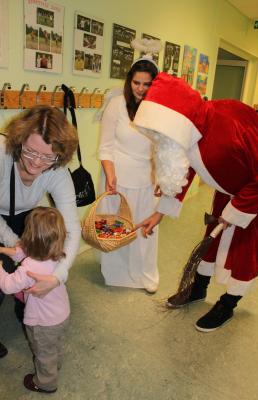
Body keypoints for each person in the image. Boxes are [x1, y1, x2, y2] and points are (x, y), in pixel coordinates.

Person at [134, 72, 258, 332]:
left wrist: (236, 212)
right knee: (211, 245)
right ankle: (197, 289)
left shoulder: (230, 126)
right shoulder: (186, 132)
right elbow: (183, 170)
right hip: (227, 193)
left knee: (244, 255)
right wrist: (159, 213)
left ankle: (228, 304)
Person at [0, 105, 81, 356]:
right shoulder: (1, 155)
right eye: (31, 151)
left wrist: (59, 276)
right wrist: (16, 244)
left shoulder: (57, 169)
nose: (36, 163)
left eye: (47, 157)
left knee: (36, 273)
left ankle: (26, 312)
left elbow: (72, 227)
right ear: (19, 140)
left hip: (25, 215)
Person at [98, 44, 179, 293]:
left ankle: (144, 272)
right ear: (129, 81)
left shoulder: (160, 110)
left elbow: (164, 148)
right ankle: (116, 271)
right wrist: (111, 176)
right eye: (136, 83)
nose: (141, 89)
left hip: (146, 178)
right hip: (117, 177)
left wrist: (161, 176)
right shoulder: (116, 104)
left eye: (146, 84)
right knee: (116, 227)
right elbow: (105, 147)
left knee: (145, 229)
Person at [0, 207, 70, 393]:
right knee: (55, 345)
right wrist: (2, 250)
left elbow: (7, 285)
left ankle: (46, 382)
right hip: (62, 314)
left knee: (43, 352)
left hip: (43, 323)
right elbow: (18, 252)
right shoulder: (57, 254)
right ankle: (56, 364)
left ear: (29, 238)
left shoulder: (29, 268)